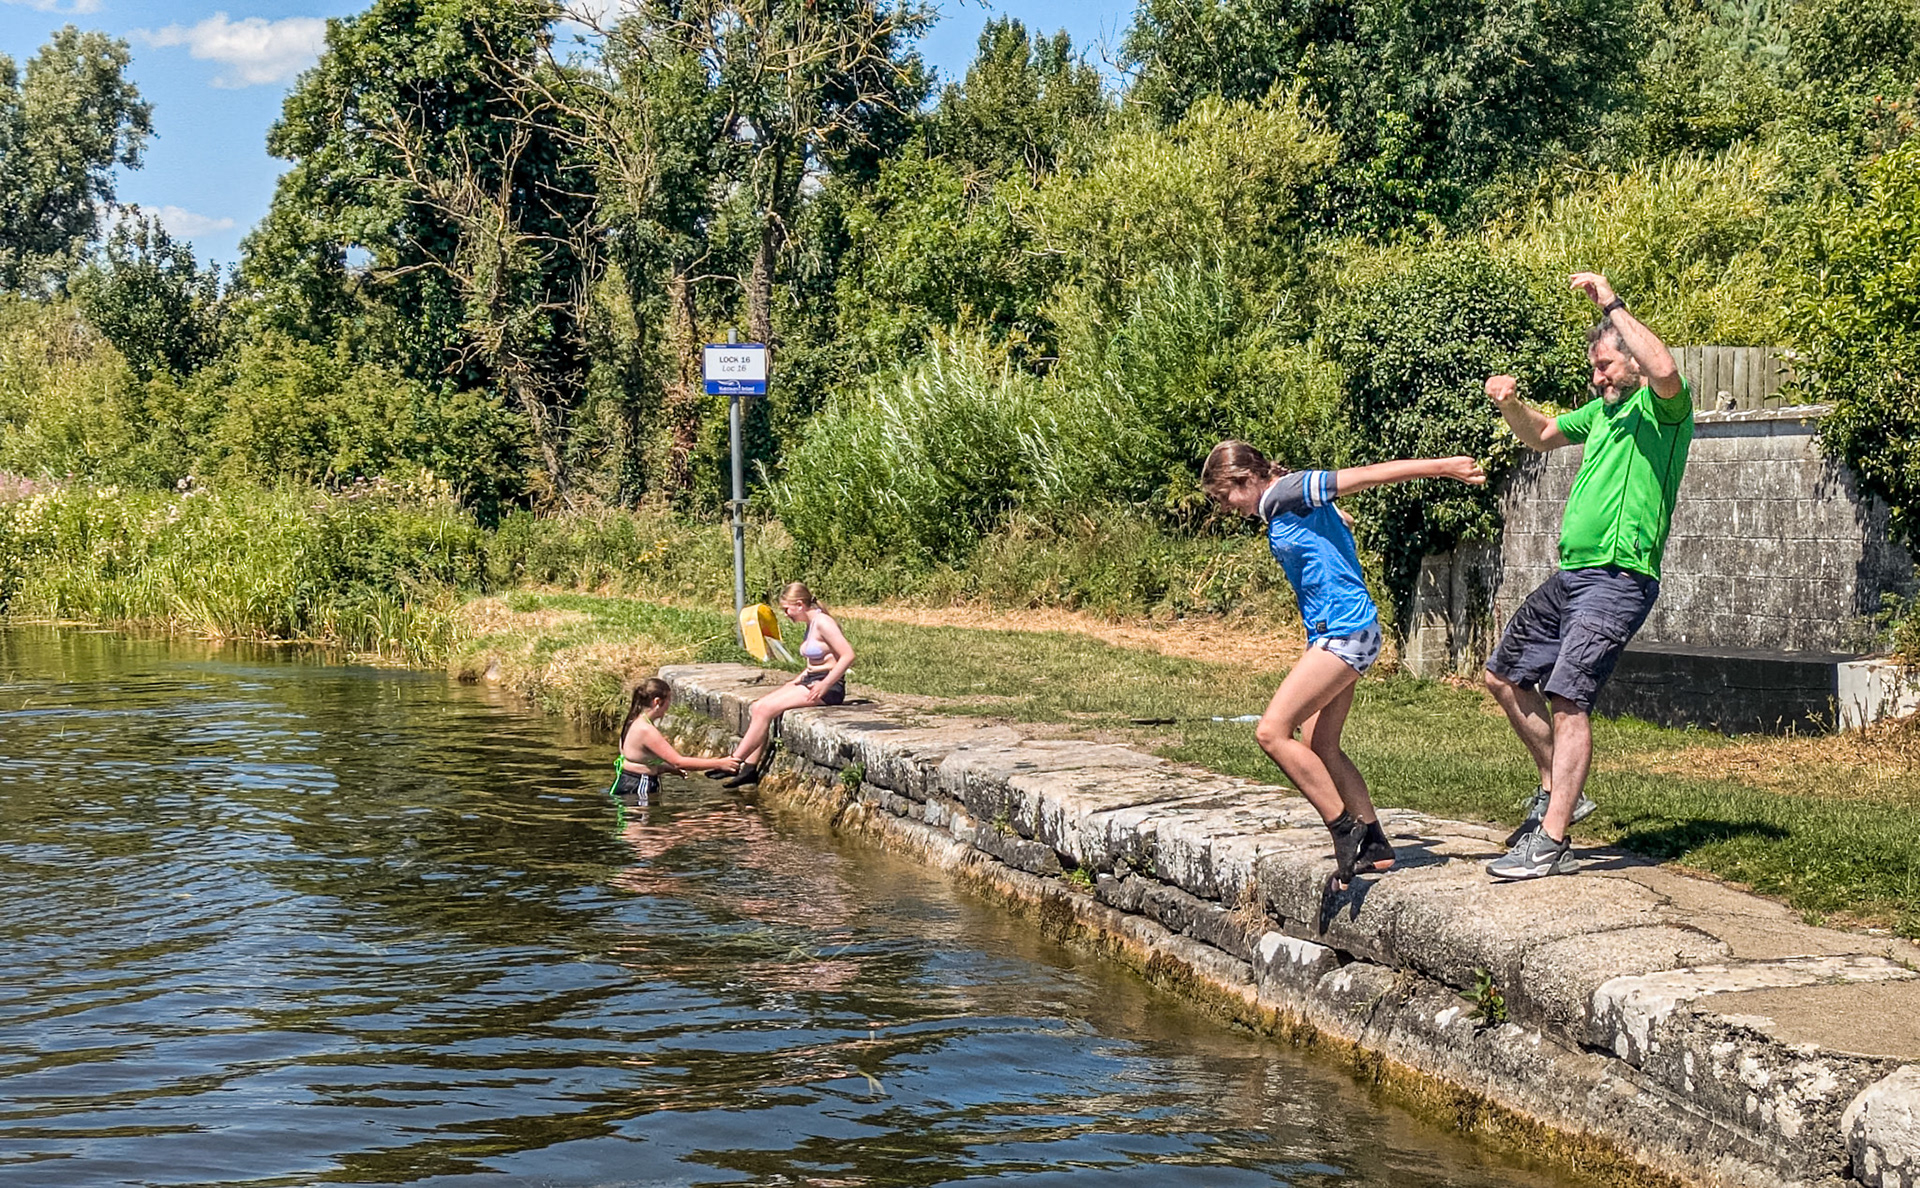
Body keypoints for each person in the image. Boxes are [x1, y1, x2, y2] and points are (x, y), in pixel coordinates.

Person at [1482, 271, 1693, 880]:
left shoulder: (1663, 413)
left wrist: (1612, 303)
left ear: (1629, 361)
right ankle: (1558, 794)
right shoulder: (1601, 413)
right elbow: (1543, 435)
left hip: (1619, 578)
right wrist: (1510, 405)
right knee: (1502, 675)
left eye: (1605, 366)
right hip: (1572, 577)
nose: (1597, 377)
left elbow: (1666, 368)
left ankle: (1550, 843)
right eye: (1594, 368)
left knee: (1568, 695)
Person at [1201, 443, 1487, 885]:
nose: (1226, 509)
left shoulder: (1290, 491)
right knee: (1320, 744)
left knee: (1272, 732)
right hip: (1337, 632)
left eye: (1225, 497)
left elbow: (1368, 474)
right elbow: (1336, 523)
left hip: (1345, 633)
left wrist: (1443, 467)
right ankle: (1374, 845)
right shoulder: (1280, 506)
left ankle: (1343, 828)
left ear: (1245, 479)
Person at [713, 581, 854, 788]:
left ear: (799, 604)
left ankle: (733, 761)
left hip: (828, 687)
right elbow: (817, 661)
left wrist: (824, 684)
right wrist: (797, 679)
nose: (786, 614)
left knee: (765, 708)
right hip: (810, 679)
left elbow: (848, 655)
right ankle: (749, 769)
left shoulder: (824, 622)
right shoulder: (811, 623)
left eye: (787, 609)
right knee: (757, 706)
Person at [610, 677, 739, 808]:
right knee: (640, 827)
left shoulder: (632, 721)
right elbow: (678, 762)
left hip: (628, 781)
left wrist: (669, 769)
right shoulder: (645, 730)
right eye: (669, 700)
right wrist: (720, 763)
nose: (669, 705)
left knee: (639, 826)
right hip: (639, 786)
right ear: (657, 702)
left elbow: (640, 760)